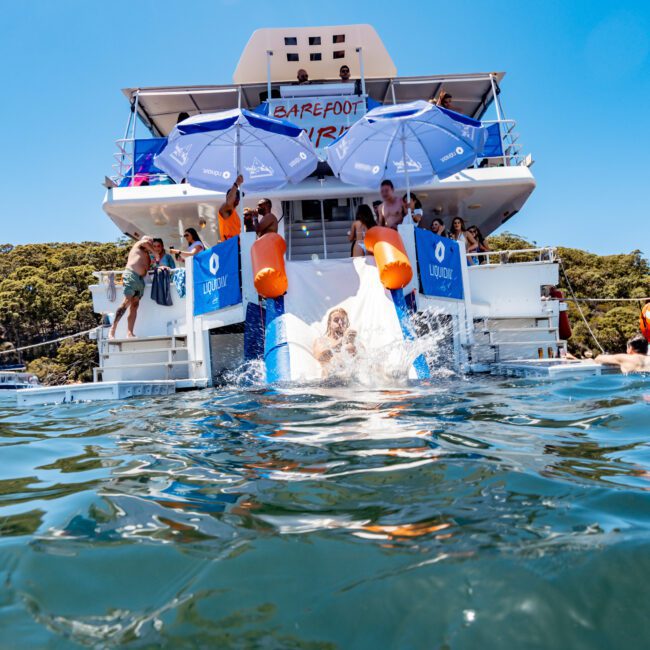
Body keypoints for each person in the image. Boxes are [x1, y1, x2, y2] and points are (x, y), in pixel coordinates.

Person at [109, 236, 158, 339]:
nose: (150, 243)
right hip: (131, 275)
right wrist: (155, 252)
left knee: (135, 305)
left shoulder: (147, 255)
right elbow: (144, 242)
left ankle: (130, 332)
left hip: (140, 280)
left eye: (151, 242)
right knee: (127, 301)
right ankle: (112, 329)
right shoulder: (138, 245)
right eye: (150, 242)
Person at [313, 308, 357, 374]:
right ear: (329, 323)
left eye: (343, 321)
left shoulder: (354, 342)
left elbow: (364, 361)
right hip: (332, 380)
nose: (340, 323)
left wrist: (354, 348)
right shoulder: (321, 340)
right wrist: (342, 341)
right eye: (336, 320)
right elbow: (321, 357)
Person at [217, 175, 243, 242]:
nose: (238, 199)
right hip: (229, 247)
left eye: (239, 197)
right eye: (237, 197)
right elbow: (229, 202)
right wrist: (237, 183)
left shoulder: (234, 212)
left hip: (235, 246)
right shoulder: (225, 209)